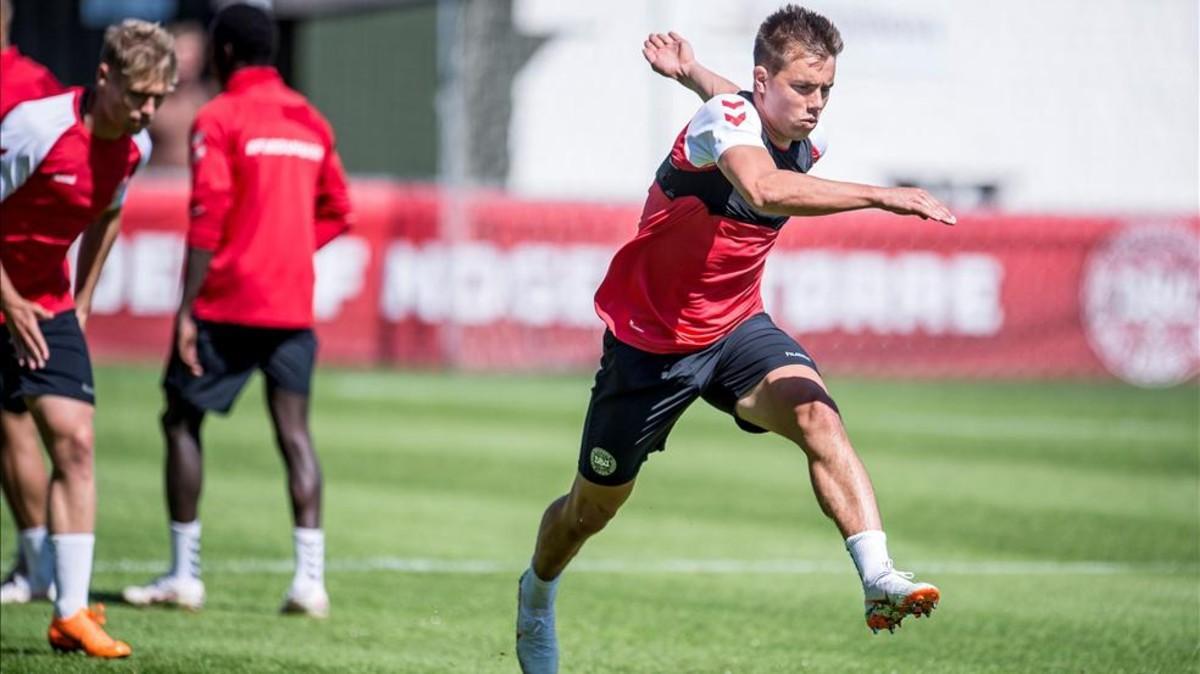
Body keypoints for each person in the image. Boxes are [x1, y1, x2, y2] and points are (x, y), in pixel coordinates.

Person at [515, 6, 954, 671]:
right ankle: (537, 594)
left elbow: (748, 112)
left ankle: (879, 575)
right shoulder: (728, 124)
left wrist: (691, 69)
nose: (815, 104)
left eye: (825, 89)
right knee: (589, 511)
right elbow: (763, 186)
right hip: (652, 345)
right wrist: (881, 195)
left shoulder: (796, 135)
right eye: (803, 88)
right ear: (763, 79)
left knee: (819, 417)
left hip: (736, 329)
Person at [122, 2, 353, 618]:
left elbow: (208, 215)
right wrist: (286, 247)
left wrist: (187, 309)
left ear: (224, 53)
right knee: (295, 436)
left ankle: (184, 575)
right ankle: (310, 583)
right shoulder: (310, 119)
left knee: (179, 422)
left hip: (226, 303)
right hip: (291, 307)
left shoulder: (218, 116)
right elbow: (339, 209)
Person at [1, 18, 177, 658]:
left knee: (74, 442)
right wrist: (7, 299)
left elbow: (107, 213)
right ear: (103, 77)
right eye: (138, 96)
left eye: (158, 99)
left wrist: (82, 300)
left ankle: (70, 614)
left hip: (44, 306)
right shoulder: (35, 127)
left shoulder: (136, 147)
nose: (147, 111)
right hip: (5, 297)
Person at [0, 0, 63, 607]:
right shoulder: (38, 84)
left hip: (13, 289)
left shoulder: (30, 89)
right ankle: (34, 561)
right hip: (21, 284)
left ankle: (38, 563)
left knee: (14, 420)